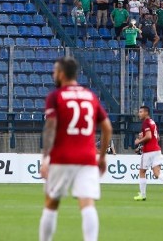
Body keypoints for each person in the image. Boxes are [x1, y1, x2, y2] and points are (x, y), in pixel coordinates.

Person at [39, 57, 112, 241]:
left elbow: (50, 126)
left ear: (62, 74)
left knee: (51, 203)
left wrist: (45, 157)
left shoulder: (55, 96)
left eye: (55, 71)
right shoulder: (90, 96)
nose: (54, 75)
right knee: (87, 204)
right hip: (87, 158)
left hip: (61, 157)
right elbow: (107, 128)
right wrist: (102, 157)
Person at [133, 105, 163, 200]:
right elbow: (157, 137)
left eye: (141, 112)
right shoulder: (152, 122)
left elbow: (149, 136)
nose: (139, 114)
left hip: (148, 151)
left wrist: (139, 141)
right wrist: (143, 135)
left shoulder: (146, 123)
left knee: (142, 171)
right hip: (157, 150)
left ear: (146, 113)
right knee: (156, 173)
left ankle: (142, 195)